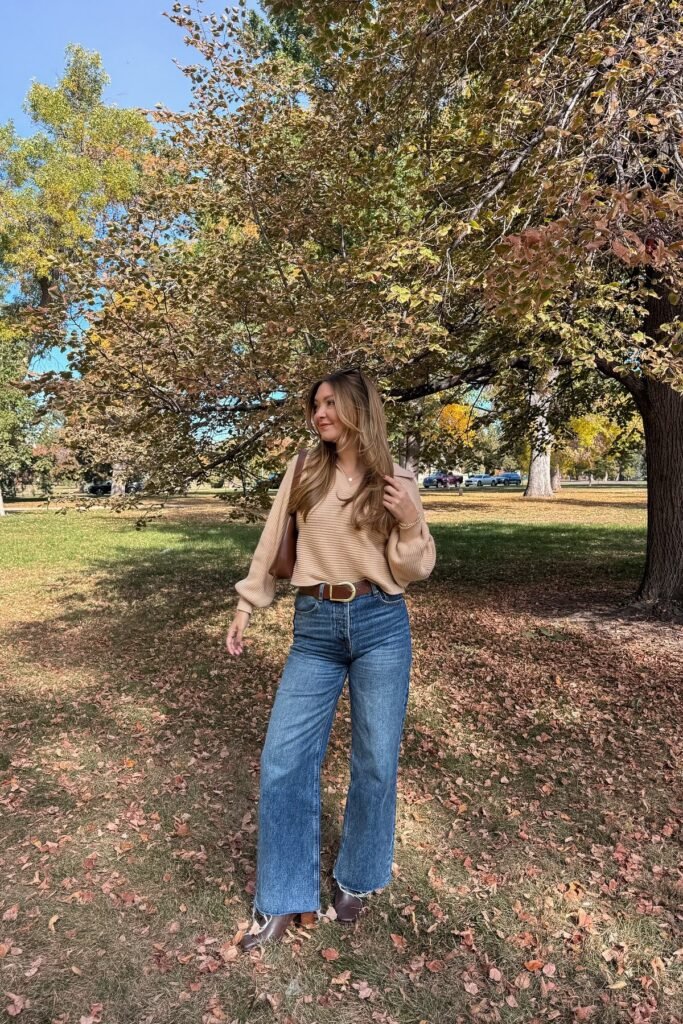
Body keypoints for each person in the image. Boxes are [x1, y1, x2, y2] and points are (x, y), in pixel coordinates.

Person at [226, 367, 436, 951]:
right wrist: (247, 605)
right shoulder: (304, 470)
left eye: (330, 403)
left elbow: (413, 568)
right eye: (315, 404)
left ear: (358, 409)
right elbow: (272, 544)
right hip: (315, 627)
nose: (319, 413)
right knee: (283, 761)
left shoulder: (395, 478)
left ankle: (359, 878)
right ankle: (281, 898)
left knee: (375, 761)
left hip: (380, 625)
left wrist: (412, 516)